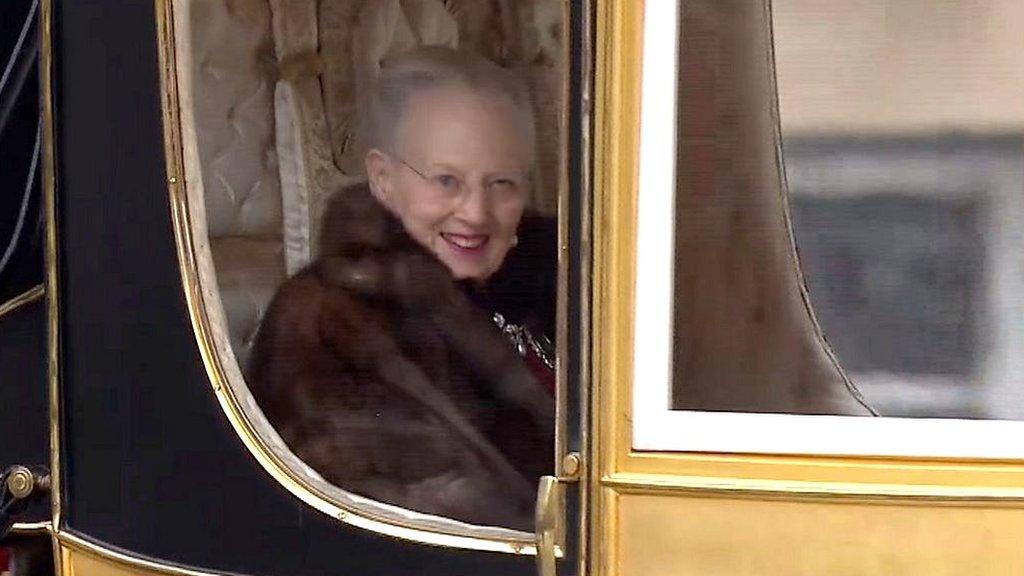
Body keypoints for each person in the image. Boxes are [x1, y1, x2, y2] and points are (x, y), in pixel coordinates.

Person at [248, 47, 556, 530]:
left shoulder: (564, 279)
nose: (476, 212)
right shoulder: (324, 327)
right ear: (383, 180)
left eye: (502, 183)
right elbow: (426, 533)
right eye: (445, 180)